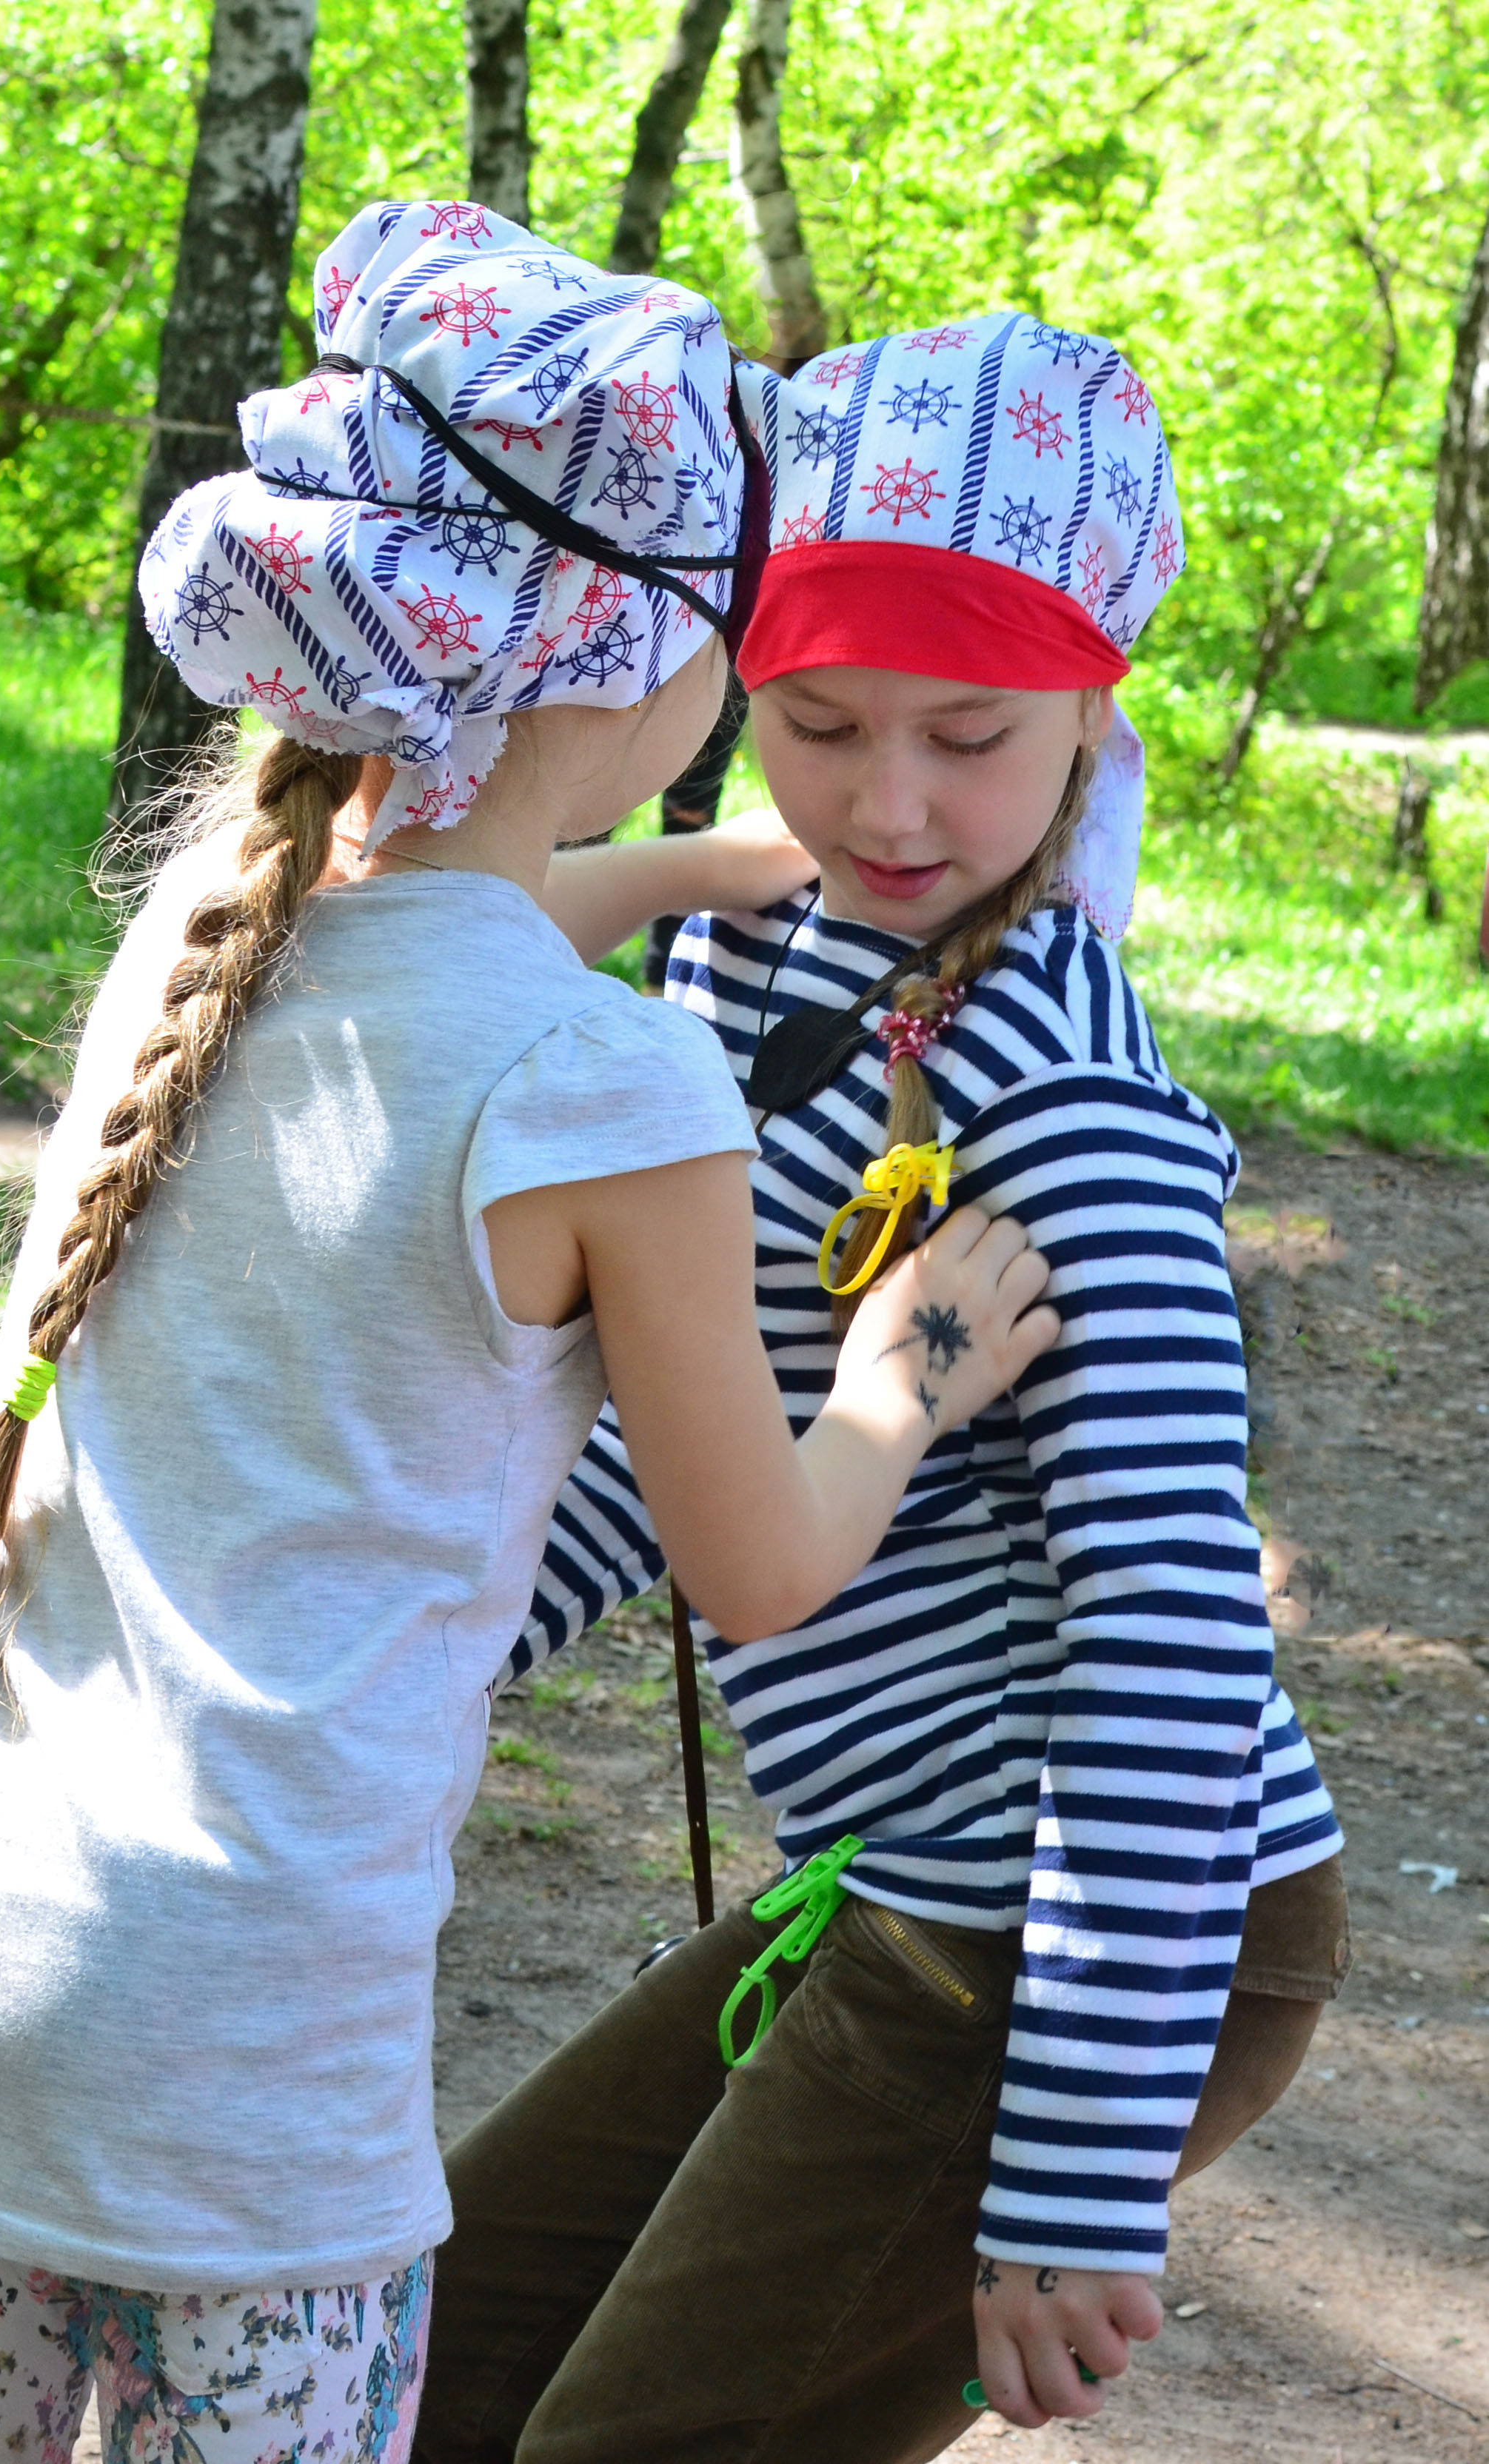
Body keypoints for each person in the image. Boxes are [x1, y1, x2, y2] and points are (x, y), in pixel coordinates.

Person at [0, 230, 1060, 2464]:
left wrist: (695, 870)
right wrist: (906, 1369)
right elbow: (764, 1567)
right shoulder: (610, 1099)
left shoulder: (214, 922)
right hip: (237, 2112)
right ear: (652, 644)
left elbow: (468, 913)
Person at [415, 318, 1350, 2464]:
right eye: (820, 724)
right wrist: (417, 1655)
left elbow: (1175, 1641)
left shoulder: (1073, 1112)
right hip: (891, 1878)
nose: (892, 803)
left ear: (1094, 721)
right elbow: (691, 1419)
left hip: (1076, 1919)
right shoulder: (766, 952)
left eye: (972, 736)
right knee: (430, 2356)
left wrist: (1080, 2168)